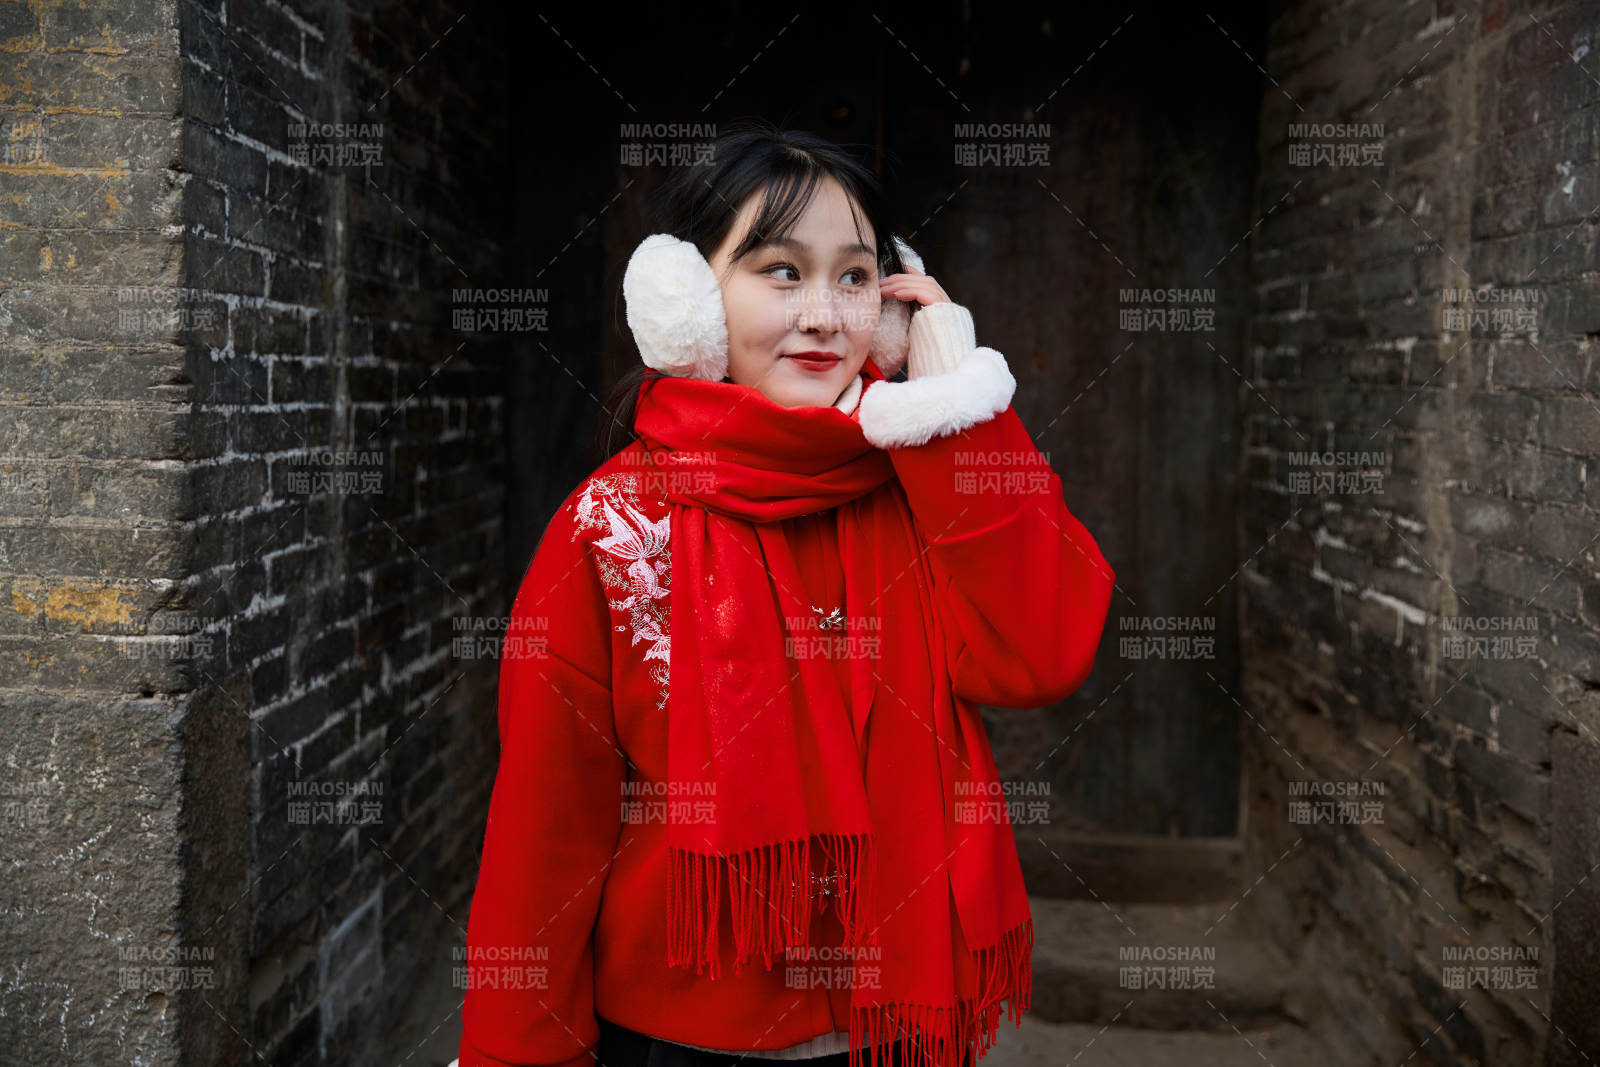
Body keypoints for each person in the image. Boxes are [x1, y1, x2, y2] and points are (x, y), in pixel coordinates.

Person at [454, 121, 1116, 1067]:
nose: (824, 314)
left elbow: (1042, 649)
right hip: (677, 1041)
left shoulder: (925, 484)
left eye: (855, 278)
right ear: (690, 301)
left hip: (895, 1032)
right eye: (779, 270)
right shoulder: (610, 528)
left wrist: (955, 400)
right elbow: (541, 840)